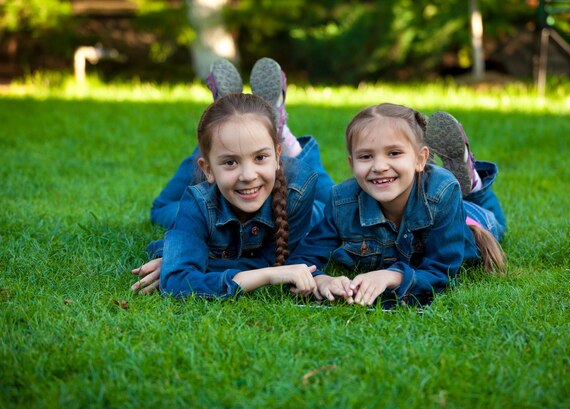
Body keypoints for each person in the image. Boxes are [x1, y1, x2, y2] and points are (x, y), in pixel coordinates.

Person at [132, 58, 333, 294]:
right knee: (163, 208)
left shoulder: (299, 189)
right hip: (222, 183)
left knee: (336, 208)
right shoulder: (198, 202)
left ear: (278, 157)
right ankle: (227, 122)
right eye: (230, 162)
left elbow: (284, 261)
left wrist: (193, 259)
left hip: (309, 208)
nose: (248, 176)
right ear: (206, 170)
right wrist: (267, 275)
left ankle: (264, 129)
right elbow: (177, 281)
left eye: (260, 157)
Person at [288, 104, 506, 307]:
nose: (379, 166)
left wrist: (392, 275)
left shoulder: (443, 193)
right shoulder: (342, 202)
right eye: (365, 156)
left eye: (394, 153)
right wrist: (322, 279)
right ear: (352, 164)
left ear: (420, 159)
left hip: (464, 218)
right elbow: (303, 258)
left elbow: (443, 270)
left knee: (495, 223)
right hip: (426, 195)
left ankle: (473, 182)